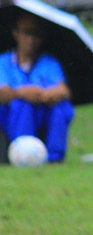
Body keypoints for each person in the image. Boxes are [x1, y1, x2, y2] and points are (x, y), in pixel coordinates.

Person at [0, 11, 74, 163]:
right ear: (16, 33)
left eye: (36, 34)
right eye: (27, 33)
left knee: (60, 107)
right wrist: (21, 93)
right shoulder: (4, 62)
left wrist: (53, 93)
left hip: (42, 112)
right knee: (22, 105)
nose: (31, 40)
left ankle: (55, 158)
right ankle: (22, 153)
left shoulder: (49, 63)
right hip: (12, 116)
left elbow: (64, 90)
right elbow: (3, 92)